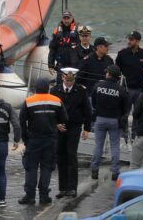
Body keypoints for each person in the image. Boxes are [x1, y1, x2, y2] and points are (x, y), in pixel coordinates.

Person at [18, 78, 68, 205]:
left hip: (33, 139)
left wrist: (25, 138)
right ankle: (44, 195)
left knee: (31, 167)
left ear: (36, 88)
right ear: (48, 88)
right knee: (47, 167)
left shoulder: (29, 101)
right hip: (50, 139)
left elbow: (22, 121)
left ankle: (30, 196)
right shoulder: (56, 101)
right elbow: (64, 118)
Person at [50, 68, 91, 199]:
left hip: (74, 126)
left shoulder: (81, 90)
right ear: (62, 77)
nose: (69, 83)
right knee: (60, 156)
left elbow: (87, 110)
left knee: (71, 156)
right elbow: (51, 110)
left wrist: (87, 128)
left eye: (71, 80)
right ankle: (63, 188)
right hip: (60, 127)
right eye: (67, 80)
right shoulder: (55, 90)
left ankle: (72, 188)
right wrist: (56, 124)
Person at [115, 31, 143, 142]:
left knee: (138, 114)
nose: (129, 41)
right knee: (124, 114)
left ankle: (135, 136)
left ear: (137, 41)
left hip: (140, 89)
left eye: (132, 39)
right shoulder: (122, 54)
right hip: (126, 90)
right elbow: (116, 70)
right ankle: (124, 136)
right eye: (128, 39)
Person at [90, 65, 130, 181]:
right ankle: (115, 172)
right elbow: (125, 107)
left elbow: (93, 102)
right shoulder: (121, 90)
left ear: (108, 74)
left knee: (98, 145)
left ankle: (94, 170)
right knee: (115, 146)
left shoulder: (98, 86)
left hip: (100, 118)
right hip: (114, 120)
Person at [48, 10, 80, 83]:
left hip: (74, 66)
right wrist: (50, 65)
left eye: (68, 18)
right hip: (61, 65)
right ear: (62, 19)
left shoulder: (78, 30)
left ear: (72, 18)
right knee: (60, 84)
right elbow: (52, 48)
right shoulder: (57, 31)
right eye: (64, 18)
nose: (66, 20)